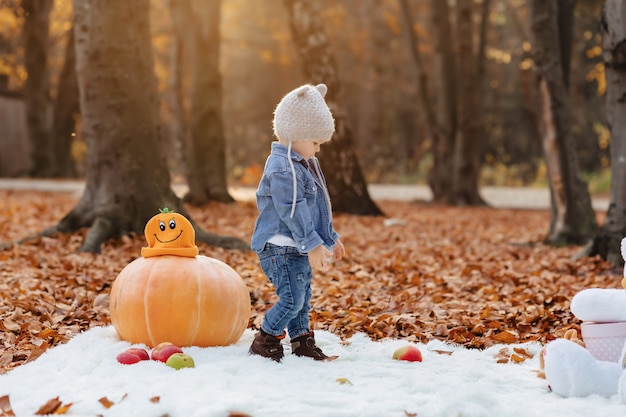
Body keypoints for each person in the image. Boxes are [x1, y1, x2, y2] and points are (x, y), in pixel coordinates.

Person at [249, 83, 346, 362]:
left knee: (303, 297)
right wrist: (313, 244)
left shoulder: (303, 163)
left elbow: (317, 208)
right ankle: (265, 338)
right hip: (278, 247)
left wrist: (329, 238)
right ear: (296, 134)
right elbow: (292, 209)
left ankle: (302, 340)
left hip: (297, 245)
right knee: (292, 299)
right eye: (315, 143)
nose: (317, 150)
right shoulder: (282, 168)